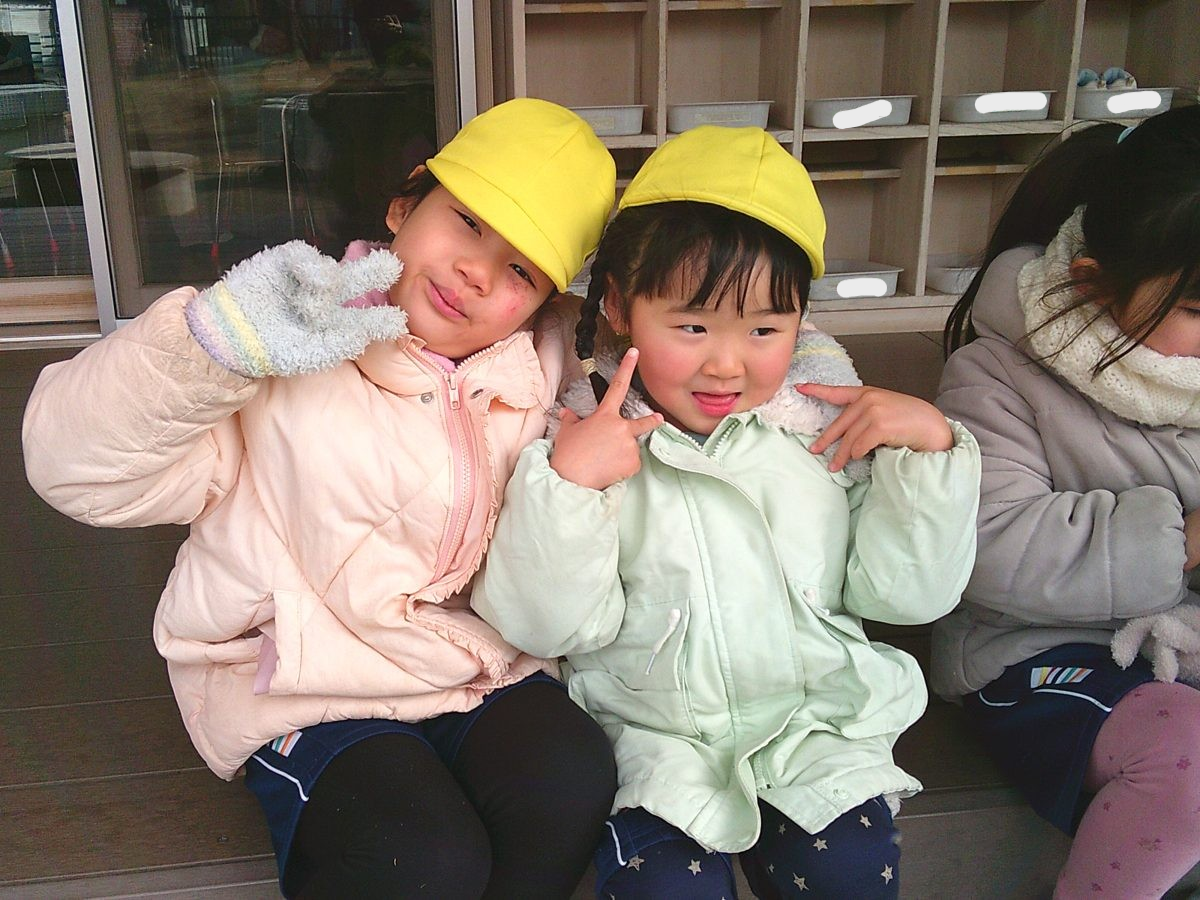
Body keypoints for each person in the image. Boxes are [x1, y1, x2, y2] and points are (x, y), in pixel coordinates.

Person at [22, 97, 619, 899]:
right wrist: (209, 348)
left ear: (545, 300)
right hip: (309, 684)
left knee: (570, 778)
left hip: (471, 663)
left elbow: (692, 339)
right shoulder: (281, 335)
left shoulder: (548, 366)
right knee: (423, 857)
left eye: (520, 270)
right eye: (468, 222)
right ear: (403, 207)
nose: (478, 271)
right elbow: (72, 467)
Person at [471, 125, 982, 899]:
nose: (726, 363)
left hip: (816, 734)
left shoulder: (822, 437)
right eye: (693, 326)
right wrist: (569, 490)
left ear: (801, 320)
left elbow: (906, 597)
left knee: (848, 872)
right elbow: (546, 628)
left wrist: (929, 460)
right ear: (620, 307)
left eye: (765, 329)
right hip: (653, 747)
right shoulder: (584, 442)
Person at [932, 104, 1200, 898]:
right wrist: (1183, 540)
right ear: (1092, 285)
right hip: (1038, 649)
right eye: (1196, 309)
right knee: (1186, 759)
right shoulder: (998, 373)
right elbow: (988, 548)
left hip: (1182, 645)